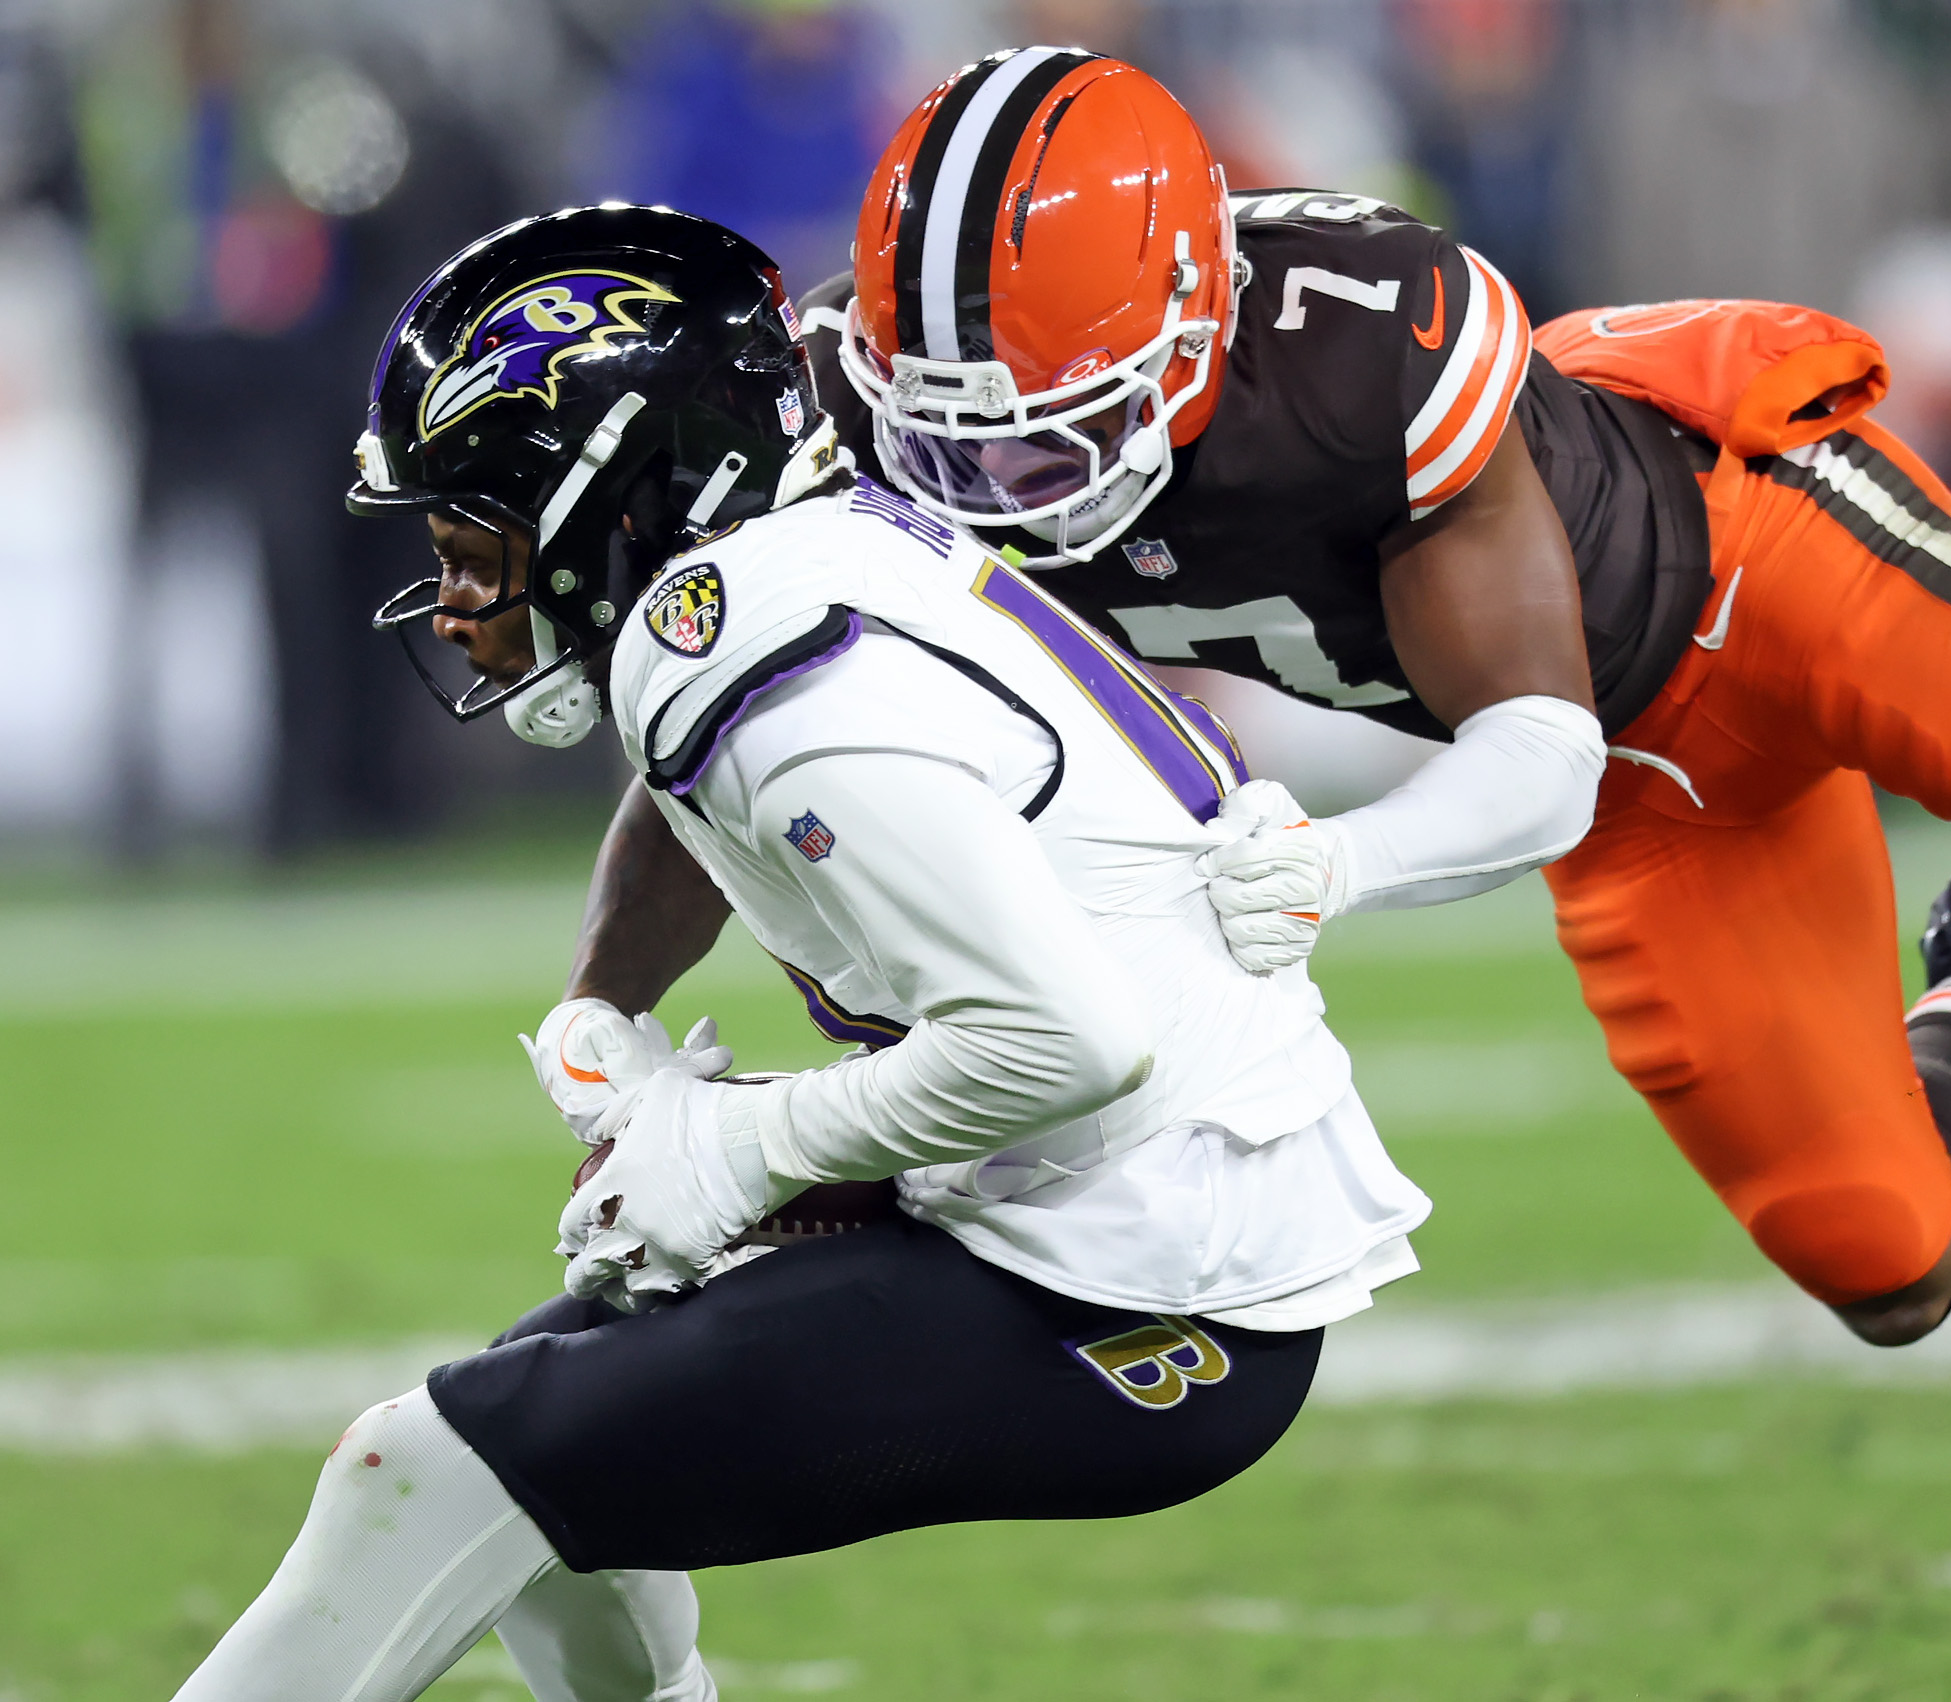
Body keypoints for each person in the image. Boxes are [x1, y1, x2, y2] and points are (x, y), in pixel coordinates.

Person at [557, 49, 1951, 1353]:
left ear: (1194, 332)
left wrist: (1325, 864)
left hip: (1768, 576)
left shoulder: (1354, 347)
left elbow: (1535, 747)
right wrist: (601, 1014)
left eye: (1049, 438)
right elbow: (710, 714)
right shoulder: (887, 419)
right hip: (1650, 796)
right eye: (954, 444)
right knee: (1888, 1263)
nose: (993, 497)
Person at [172, 203, 1428, 1700]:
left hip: (1150, 1285)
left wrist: (743, 1145)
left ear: (606, 501)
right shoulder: (768, 583)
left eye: (471, 541)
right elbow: (691, 788)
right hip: (1115, 1205)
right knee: (542, 1466)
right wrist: (604, 1012)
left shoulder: (761, 662)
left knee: (426, 1465)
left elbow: (1066, 1040)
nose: (450, 602)